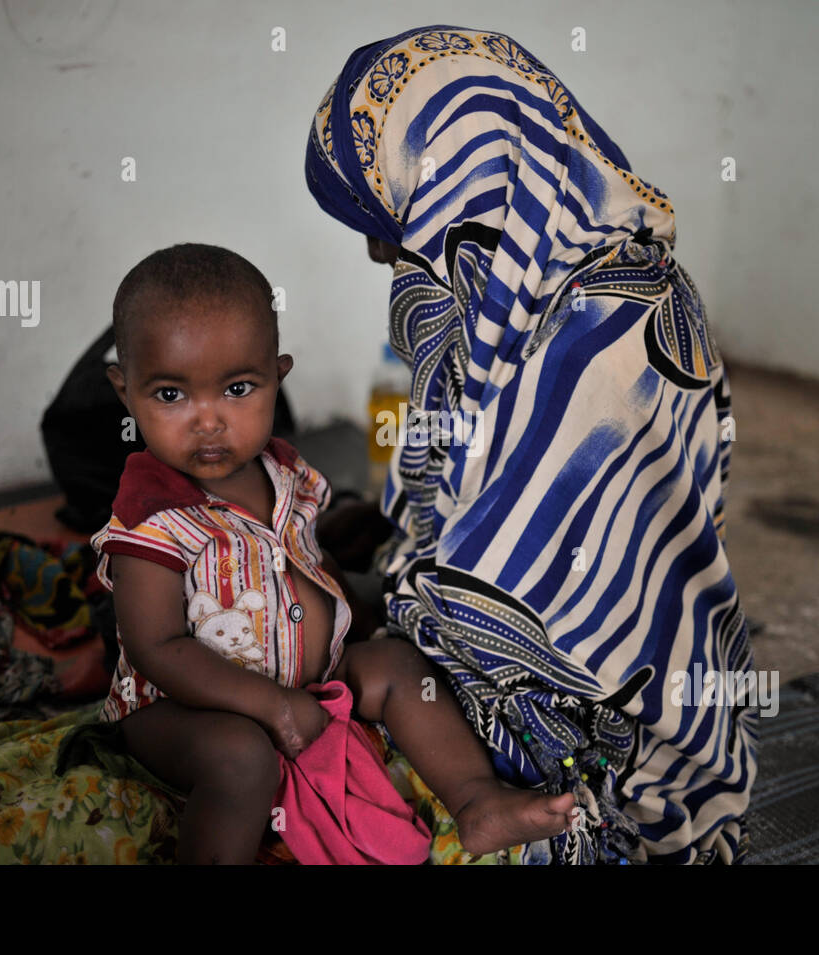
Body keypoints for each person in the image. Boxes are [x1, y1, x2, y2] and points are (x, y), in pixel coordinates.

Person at [306, 26, 758, 864]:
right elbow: (473, 489)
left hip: (598, 738)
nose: (379, 250)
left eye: (387, 215)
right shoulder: (580, 283)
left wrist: (349, 604)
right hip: (667, 678)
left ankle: (498, 802)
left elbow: (510, 610)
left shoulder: (586, 343)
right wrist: (388, 536)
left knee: (322, 679)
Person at [91, 243, 576, 864]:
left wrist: (357, 628)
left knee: (398, 666)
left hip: (308, 680)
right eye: (170, 396)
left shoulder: (285, 471)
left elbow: (310, 561)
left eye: (237, 388)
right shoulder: (150, 516)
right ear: (124, 391)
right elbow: (156, 649)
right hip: (183, 713)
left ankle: (477, 800)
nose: (208, 421)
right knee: (243, 758)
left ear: (277, 376)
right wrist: (270, 705)